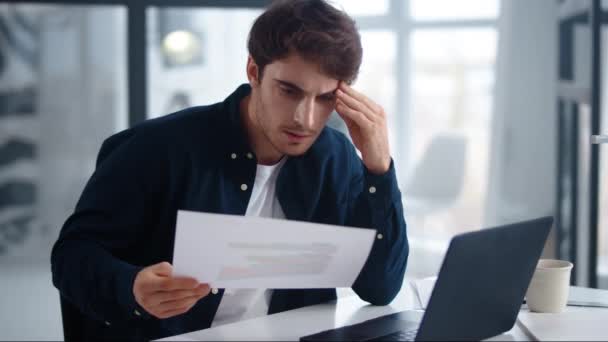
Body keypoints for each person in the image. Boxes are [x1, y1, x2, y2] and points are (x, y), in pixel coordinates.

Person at [51, 0, 409, 340]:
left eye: (325, 98)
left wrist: (379, 168)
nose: (306, 118)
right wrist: (131, 287)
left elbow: (380, 287)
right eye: (289, 90)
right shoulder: (157, 148)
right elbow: (72, 255)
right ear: (254, 71)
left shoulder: (334, 158)